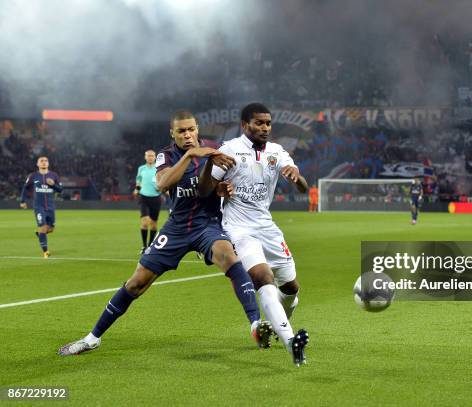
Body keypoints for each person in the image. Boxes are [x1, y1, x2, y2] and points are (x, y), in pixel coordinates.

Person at [58, 110, 270, 356]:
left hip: (207, 225)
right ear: (173, 134)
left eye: (191, 129)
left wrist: (224, 187)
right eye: (181, 131)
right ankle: (92, 338)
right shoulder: (166, 156)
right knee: (136, 284)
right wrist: (190, 155)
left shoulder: (216, 151)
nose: (187, 135)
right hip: (177, 228)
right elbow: (162, 183)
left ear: (198, 129)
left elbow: (229, 180)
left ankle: (256, 325)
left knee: (230, 258)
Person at [200, 103, 310, 367]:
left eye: (268, 123)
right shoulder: (229, 150)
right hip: (238, 228)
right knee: (263, 277)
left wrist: (296, 177)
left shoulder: (276, 151)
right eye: (259, 123)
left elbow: (304, 189)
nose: (265, 128)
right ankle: (290, 340)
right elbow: (205, 190)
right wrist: (215, 184)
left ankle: (274, 325)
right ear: (244, 125)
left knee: (291, 288)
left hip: (267, 228)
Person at [19, 156, 63, 258]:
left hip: (51, 207)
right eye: (41, 161)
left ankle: (40, 234)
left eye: (46, 161)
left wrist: (53, 185)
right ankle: (45, 251)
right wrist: (22, 201)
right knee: (42, 227)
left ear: (48, 163)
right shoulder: (33, 176)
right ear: (38, 164)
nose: (44, 162)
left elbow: (60, 190)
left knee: (50, 229)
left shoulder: (54, 175)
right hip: (39, 207)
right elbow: (25, 188)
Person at [133, 149, 163, 253]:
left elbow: (162, 181)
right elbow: (139, 180)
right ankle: (144, 246)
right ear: (145, 157)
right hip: (144, 197)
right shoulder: (141, 168)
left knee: (154, 224)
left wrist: (161, 187)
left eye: (152, 156)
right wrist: (137, 189)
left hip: (156, 198)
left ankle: (150, 245)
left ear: (155, 157)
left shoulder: (158, 169)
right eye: (148, 156)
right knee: (145, 222)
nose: (150, 157)